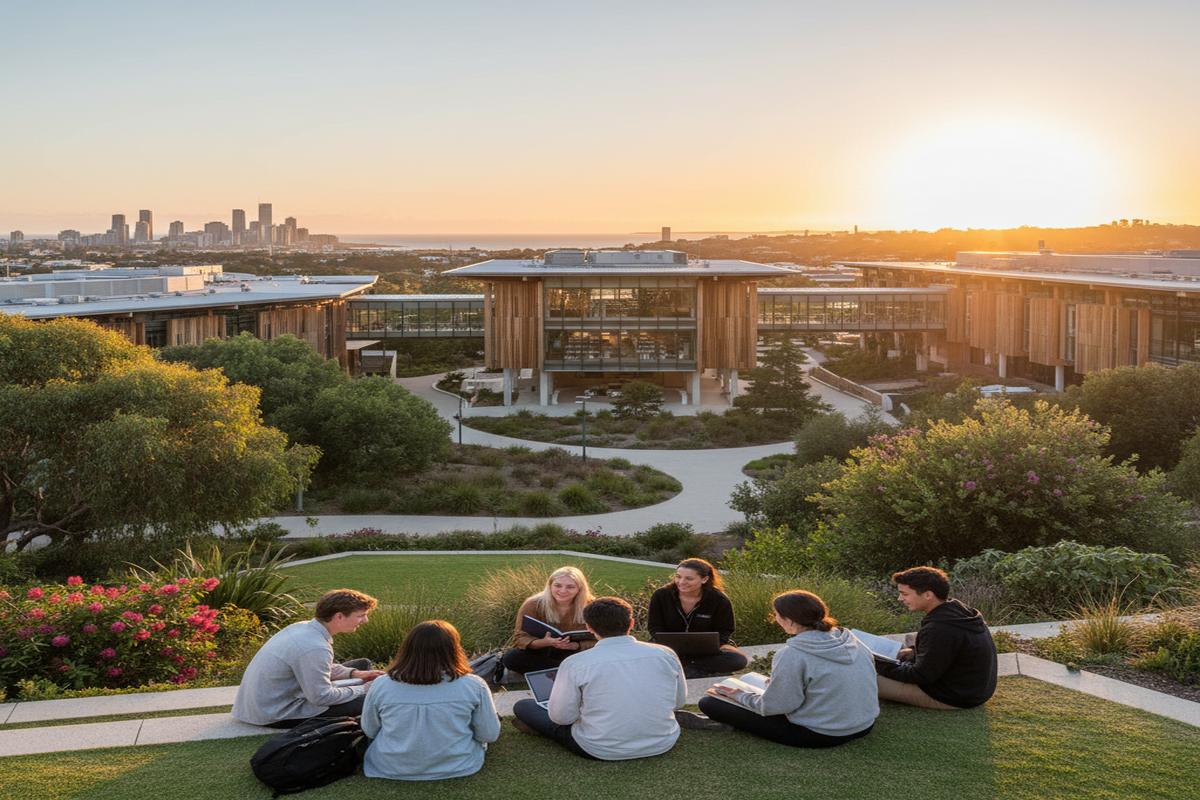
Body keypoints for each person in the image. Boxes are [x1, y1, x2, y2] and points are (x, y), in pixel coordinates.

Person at [511, 596, 688, 761]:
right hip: (664, 741)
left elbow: (562, 718)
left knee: (524, 706)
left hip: (599, 748)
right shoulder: (666, 653)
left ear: (589, 627)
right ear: (631, 623)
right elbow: (678, 702)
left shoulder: (575, 663)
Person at [697, 590, 879, 747]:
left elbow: (777, 706)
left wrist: (738, 696)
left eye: (776, 615)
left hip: (821, 734)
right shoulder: (851, 640)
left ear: (790, 621)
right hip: (864, 724)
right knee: (751, 679)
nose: (775, 619)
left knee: (710, 702)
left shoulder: (793, 654)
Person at [360, 620, 501, 781]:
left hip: (389, 766)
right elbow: (489, 734)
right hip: (459, 765)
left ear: (407, 649)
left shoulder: (381, 684)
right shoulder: (474, 685)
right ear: (454, 649)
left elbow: (370, 730)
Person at [232, 589, 385, 728]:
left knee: (362, 665)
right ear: (338, 616)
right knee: (370, 698)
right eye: (361, 616)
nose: (365, 621)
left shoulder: (302, 627)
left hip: (259, 706)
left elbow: (314, 667)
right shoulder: (315, 646)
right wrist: (364, 689)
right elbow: (321, 697)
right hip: (276, 714)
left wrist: (356, 674)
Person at [875, 566, 998, 709]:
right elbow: (948, 648)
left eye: (905, 594)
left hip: (955, 696)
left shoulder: (939, 628)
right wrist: (913, 651)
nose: (900, 598)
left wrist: (880, 664)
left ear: (928, 595)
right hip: (974, 690)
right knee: (911, 642)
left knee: (867, 677)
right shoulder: (957, 609)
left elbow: (920, 676)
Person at [647, 558, 748, 678]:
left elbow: (725, 630)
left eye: (689, 578)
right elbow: (654, 626)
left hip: (706, 651)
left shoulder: (719, 600)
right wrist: (667, 645)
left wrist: (712, 646)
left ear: (704, 579)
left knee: (738, 660)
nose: (681, 582)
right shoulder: (661, 595)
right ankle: (690, 669)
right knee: (642, 657)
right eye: (678, 576)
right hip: (668, 648)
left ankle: (688, 669)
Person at [501, 566, 596, 675]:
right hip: (544, 651)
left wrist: (577, 646)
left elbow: (602, 639)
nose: (563, 591)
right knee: (511, 658)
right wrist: (544, 642)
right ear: (550, 585)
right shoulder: (533, 604)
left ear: (580, 589)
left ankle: (558, 672)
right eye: (557, 585)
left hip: (576, 652)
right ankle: (569, 673)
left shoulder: (592, 606)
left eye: (570, 587)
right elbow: (520, 638)